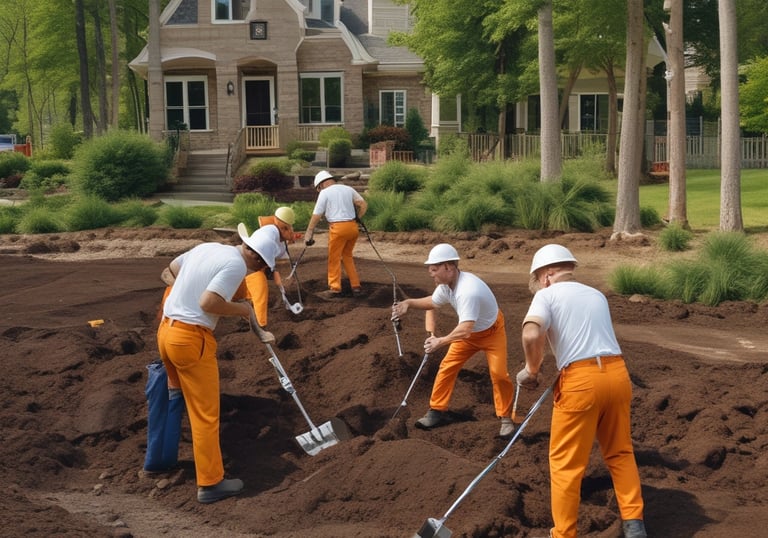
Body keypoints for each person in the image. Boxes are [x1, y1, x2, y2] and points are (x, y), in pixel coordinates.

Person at [517, 244, 647, 538]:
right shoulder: (596, 294)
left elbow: (531, 332)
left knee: (566, 464)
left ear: (547, 275)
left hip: (581, 382)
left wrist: (532, 370)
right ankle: (634, 524)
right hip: (617, 375)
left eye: (538, 280)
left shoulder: (546, 295)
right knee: (620, 452)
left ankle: (564, 534)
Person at [156, 226, 279, 504]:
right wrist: (243, 309)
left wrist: (185, 294)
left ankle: (157, 461)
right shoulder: (236, 265)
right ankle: (211, 483)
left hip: (166, 332)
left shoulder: (207, 247)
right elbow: (209, 302)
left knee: (174, 399)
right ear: (258, 261)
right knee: (205, 415)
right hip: (189, 339)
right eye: (262, 269)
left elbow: (170, 270)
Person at [391, 243, 516, 438]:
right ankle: (436, 410)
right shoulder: (446, 286)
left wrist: (440, 341)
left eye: (434, 269)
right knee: (447, 366)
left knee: (499, 374)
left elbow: (465, 330)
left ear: (448, 267)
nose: (431, 274)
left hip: (492, 332)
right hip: (469, 333)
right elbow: (432, 302)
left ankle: (506, 417)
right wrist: (408, 303)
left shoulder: (468, 290)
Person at [304, 170, 367, 299]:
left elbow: (317, 215)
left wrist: (309, 232)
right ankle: (356, 286)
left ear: (321, 184)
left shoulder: (325, 193)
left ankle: (334, 288)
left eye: (319, 188)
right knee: (347, 256)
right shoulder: (348, 189)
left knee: (334, 258)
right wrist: (357, 218)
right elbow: (363, 204)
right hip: (352, 228)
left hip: (338, 229)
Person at [243, 206, 296, 326]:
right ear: (283, 228)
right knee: (260, 294)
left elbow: (281, 258)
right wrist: (280, 284)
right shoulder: (269, 237)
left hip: (253, 261)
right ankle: (261, 326)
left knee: (247, 292)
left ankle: (248, 310)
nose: (292, 232)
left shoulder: (273, 233)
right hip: (251, 264)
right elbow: (273, 268)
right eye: (289, 229)